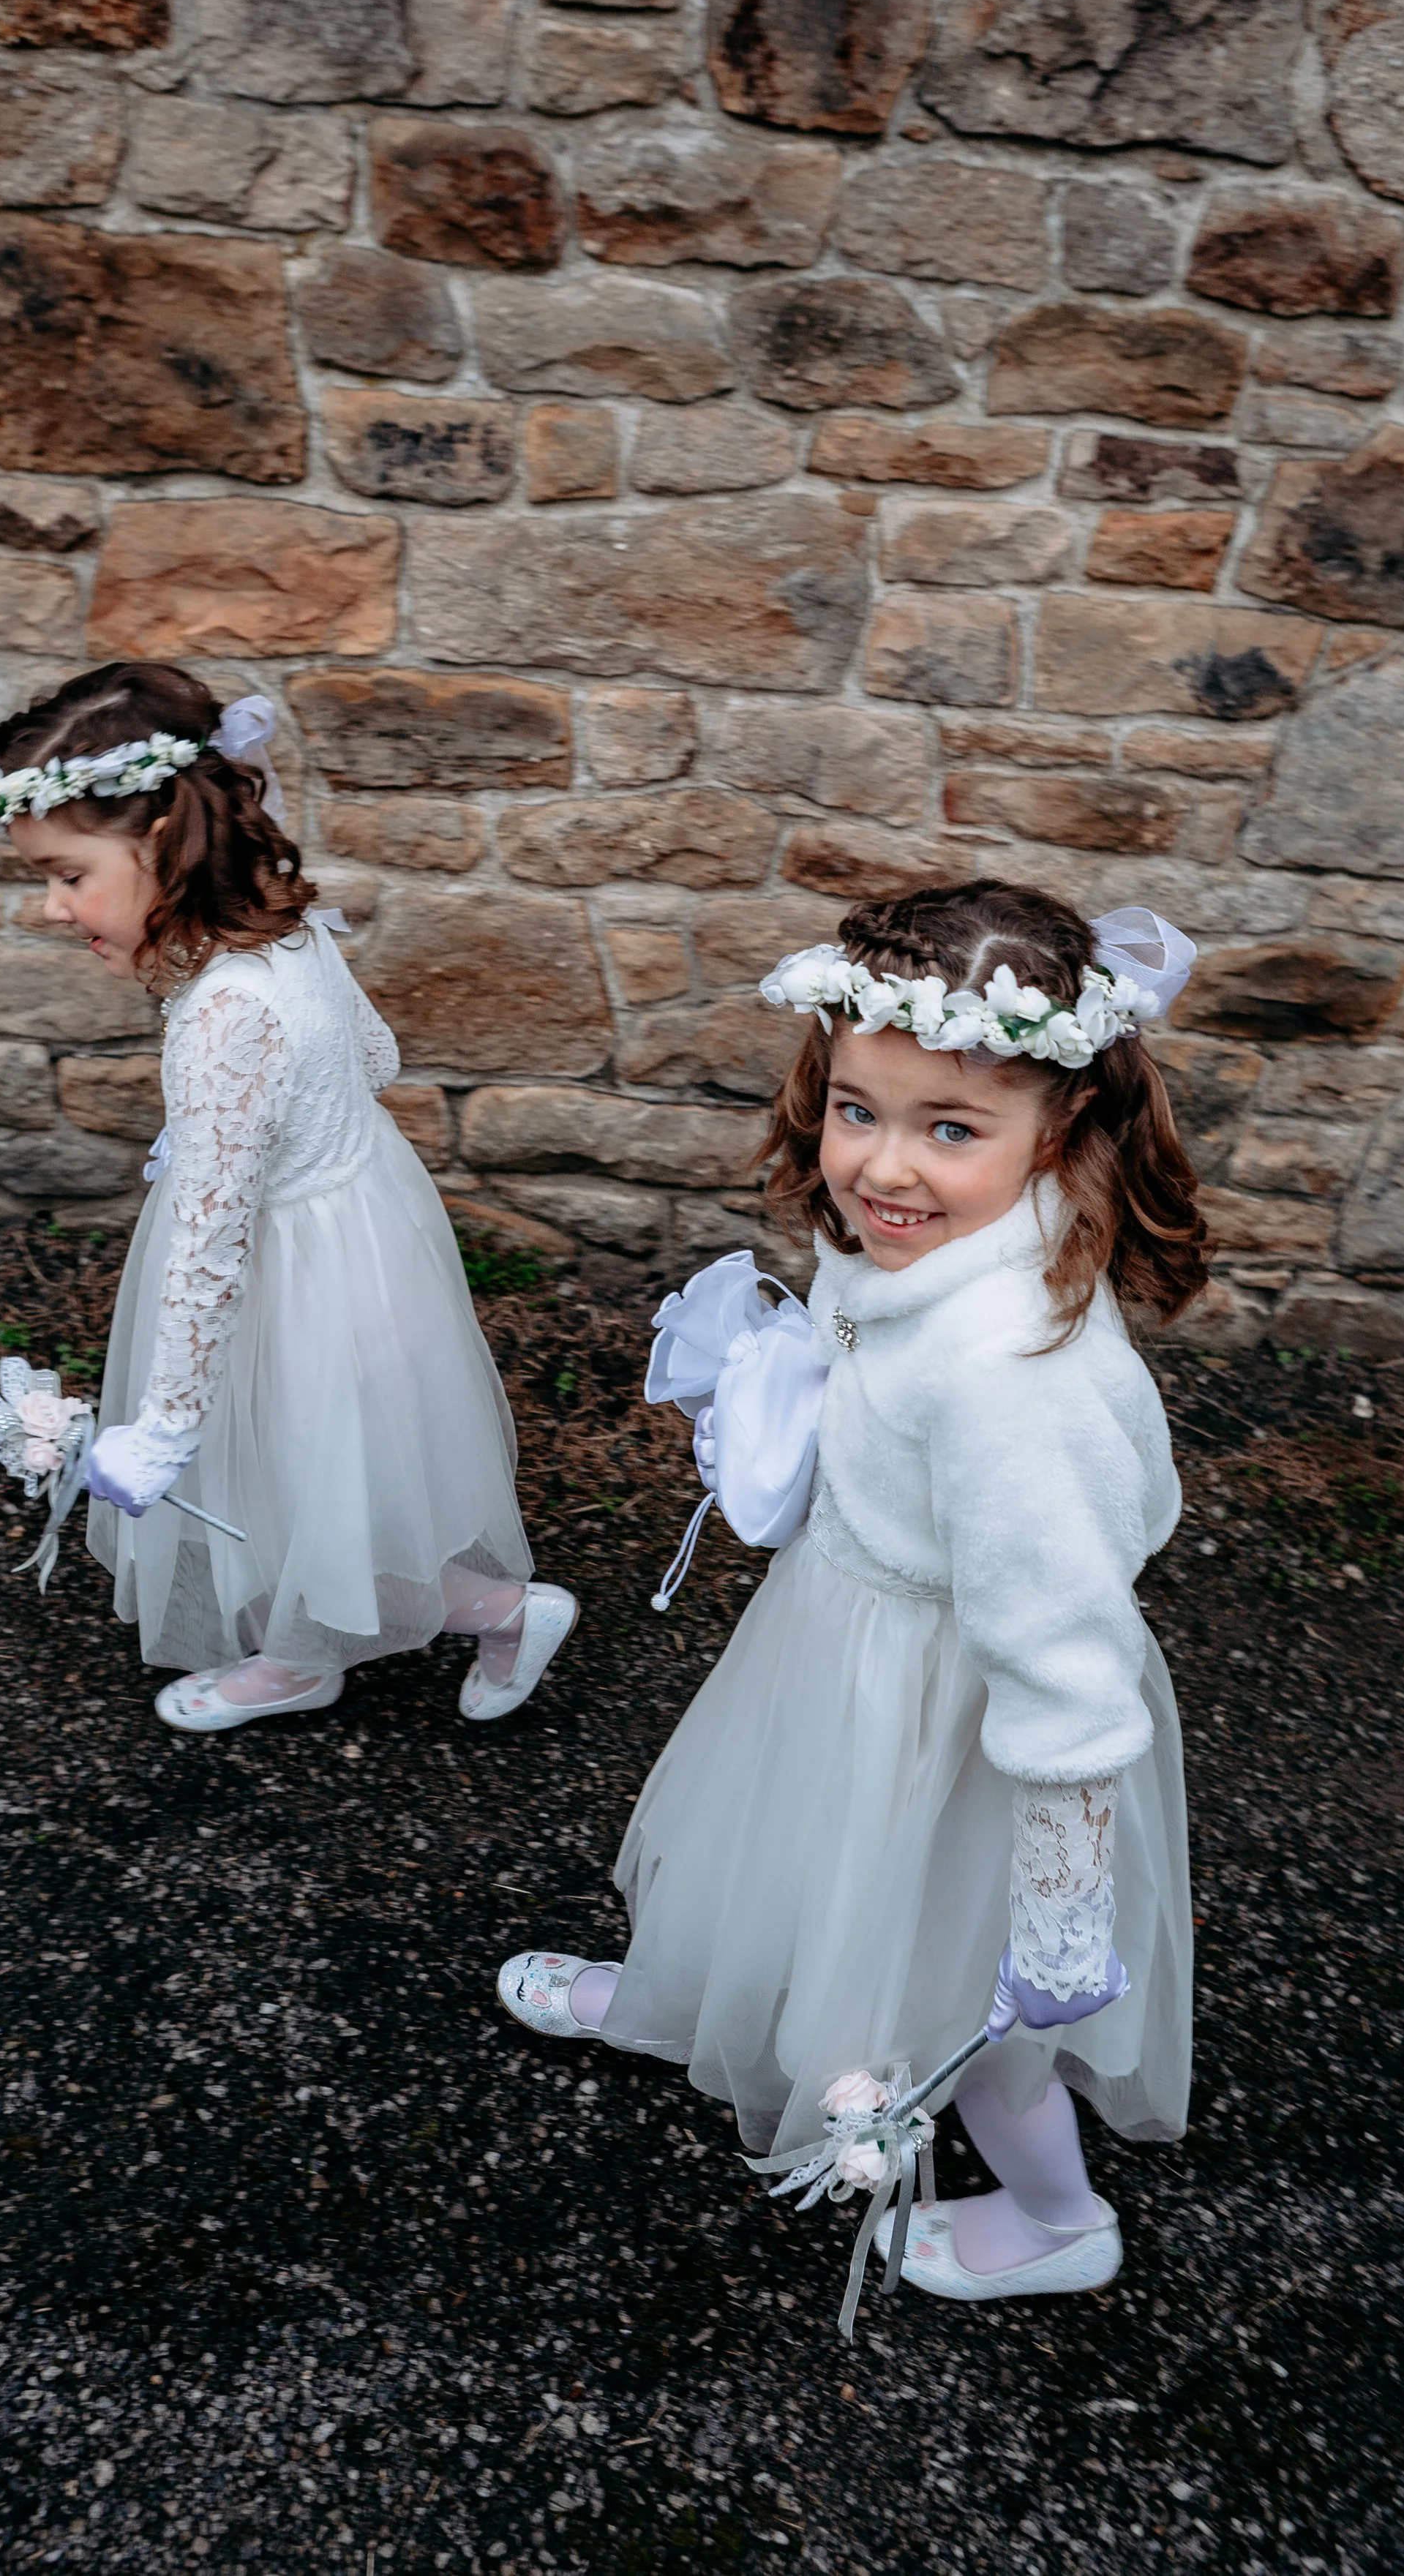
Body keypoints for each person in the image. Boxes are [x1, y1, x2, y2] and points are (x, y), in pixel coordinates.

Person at [497, 879, 1206, 2305]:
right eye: (856, 1110)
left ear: (1056, 1125)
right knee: (765, 1846)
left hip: (970, 1720)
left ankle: (1057, 2216)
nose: (882, 1167)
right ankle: (682, 2002)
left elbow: (1065, 1676)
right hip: (850, 1636)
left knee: (970, 1995)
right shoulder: (921, 1258)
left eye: (950, 1129)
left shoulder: (1013, 1377)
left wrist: (1057, 1921)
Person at [0, 661, 575, 1731]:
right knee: (319, 1481)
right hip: (368, 1234)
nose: (53, 908)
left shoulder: (220, 1013)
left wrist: (163, 1426)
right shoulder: (292, 932)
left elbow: (209, 1243)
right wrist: (282, 1127)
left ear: (159, 841)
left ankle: (497, 1609)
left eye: (66, 874)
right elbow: (374, 1057)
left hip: (289, 1278)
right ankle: (303, 1650)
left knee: (287, 1481)